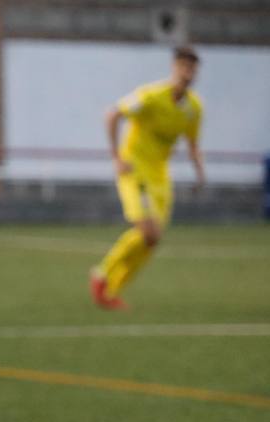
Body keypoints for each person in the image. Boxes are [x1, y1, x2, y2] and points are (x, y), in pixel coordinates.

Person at [90, 46, 204, 310]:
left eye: (192, 69)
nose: (187, 74)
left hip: (160, 176)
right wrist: (116, 157)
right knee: (147, 231)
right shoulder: (151, 96)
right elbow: (113, 114)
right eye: (183, 67)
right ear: (174, 68)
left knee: (152, 241)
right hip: (135, 169)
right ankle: (102, 275)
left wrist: (200, 174)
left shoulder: (194, 109)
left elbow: (193, 144)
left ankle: (111, 289)